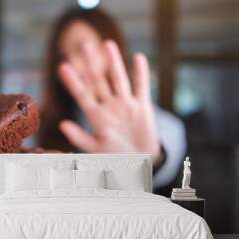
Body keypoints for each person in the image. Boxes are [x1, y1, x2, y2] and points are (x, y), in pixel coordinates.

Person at [39, 8, 186, 189]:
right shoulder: (47, 125)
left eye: (80, 49)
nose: (73, 65)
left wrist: (146, 162)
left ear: (110, 49)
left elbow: (166, 159)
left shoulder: (165, 126)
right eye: (63, 57)